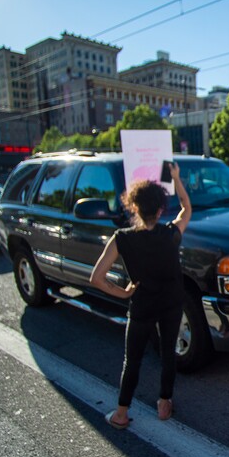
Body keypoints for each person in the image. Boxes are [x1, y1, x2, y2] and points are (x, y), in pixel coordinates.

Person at [91, 163, 192, 430]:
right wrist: (176, 178)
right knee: (168, 353)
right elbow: (186, 208)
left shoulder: (121, 238)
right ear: (160, 209)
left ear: (133, 206)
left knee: (132, 359)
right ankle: (164, 404)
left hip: (141, 305)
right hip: (171, 302)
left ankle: (121, 413)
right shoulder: (171, 234)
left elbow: (97, 278)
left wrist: (123, 292)